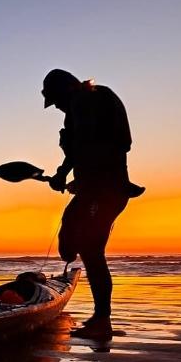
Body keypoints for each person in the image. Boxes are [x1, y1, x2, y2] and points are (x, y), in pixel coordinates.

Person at [42, 69, 144, 339]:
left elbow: (102, 145)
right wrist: (64, 175)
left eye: (56, 100)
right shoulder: (77, 106)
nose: (58, 107)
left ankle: (102, 321)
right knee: (70, 240)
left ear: (66, 90)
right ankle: (100, 318)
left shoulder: (89, 100)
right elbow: (78, 149)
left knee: (91, 251)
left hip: (106, 189)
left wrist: (81, 178)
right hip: (94, 189)